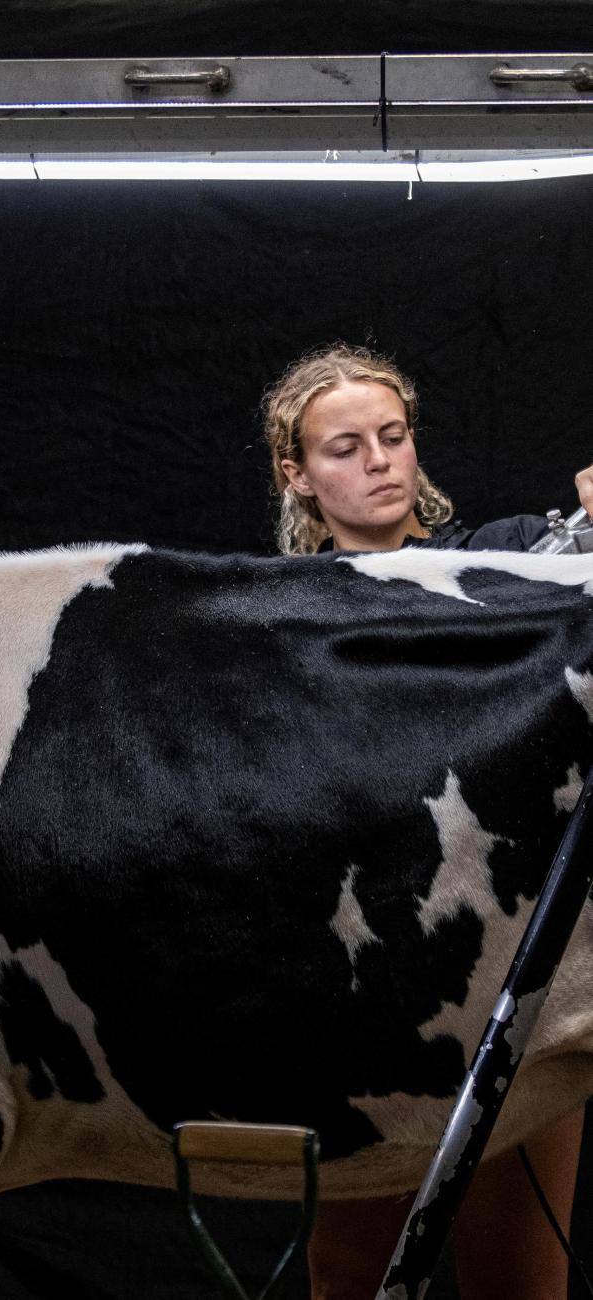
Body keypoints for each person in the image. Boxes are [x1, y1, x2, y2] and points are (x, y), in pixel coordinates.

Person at [262, 341, 588, 1299]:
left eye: (394, 437)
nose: (379, 462)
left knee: (520, 1282)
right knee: (349, 1276)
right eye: (346, 446)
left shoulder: (515, 560)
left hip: (515, 970)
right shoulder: (283, 611)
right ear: (298, 474)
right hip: (369, 984)